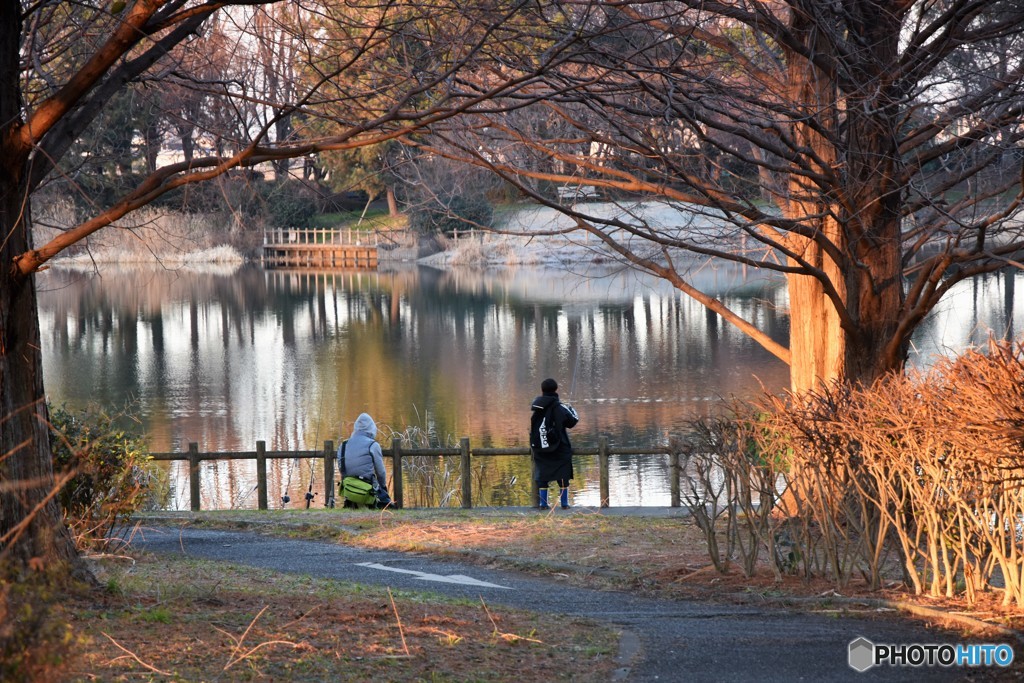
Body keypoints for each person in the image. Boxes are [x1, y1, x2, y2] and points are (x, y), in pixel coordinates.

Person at [529, 378, 579, 509]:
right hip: (559, 447)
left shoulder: (536, 407)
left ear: (542, 390)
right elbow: (572, 422)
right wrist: (572, 410)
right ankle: (564, 504)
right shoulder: (560, 407)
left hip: (540, 447)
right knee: (563, 475)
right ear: (556, 389)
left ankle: (543, 504)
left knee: (542, 476)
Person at [336, 412, 392, 508]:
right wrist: (382, 488)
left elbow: (341, 467)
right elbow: (381, 472)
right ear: (372, 428)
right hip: (367, 489)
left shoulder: (343, 445)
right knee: (389, 506)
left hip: (348, 489)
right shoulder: (373, 445)